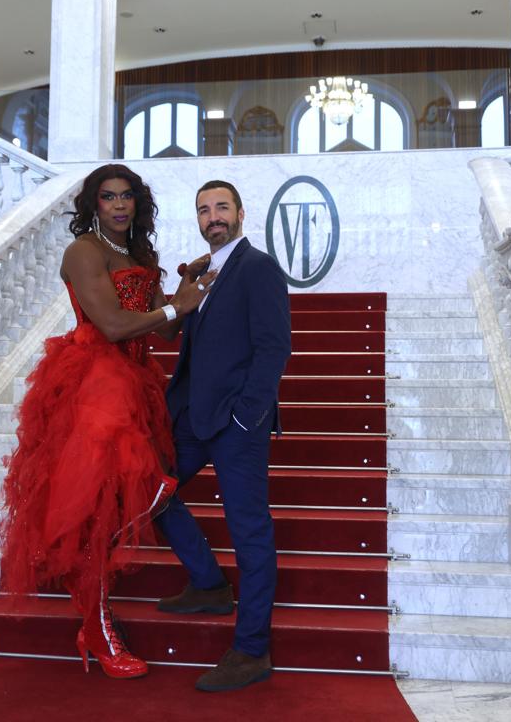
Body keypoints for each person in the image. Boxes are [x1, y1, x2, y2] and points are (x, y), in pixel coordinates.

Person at [0, 163, 214, 680]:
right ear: (93, 206)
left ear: (137, 204)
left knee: (120, 504)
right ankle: (95, 625)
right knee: (107, 504)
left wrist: (182, 292)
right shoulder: (84, 252)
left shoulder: (138, 254)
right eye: (108, 197)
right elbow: (114, 326)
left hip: (136, 380)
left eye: (127, 197)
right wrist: (171, 309)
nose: (118, 205)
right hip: (97, 380)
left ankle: (94, 618)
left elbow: (161, 334)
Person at [155, 180, 292, 692]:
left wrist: (247, 416)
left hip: (236, 424)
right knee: (149, 492)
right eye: (203, 209)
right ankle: (209, 582)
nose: (213, 216)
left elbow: (274, 346)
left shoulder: (257, 268)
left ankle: (252, 650)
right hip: (191, 418)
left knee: (250, 531)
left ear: (240, 213)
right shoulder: (202, 272)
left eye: (221, 207)